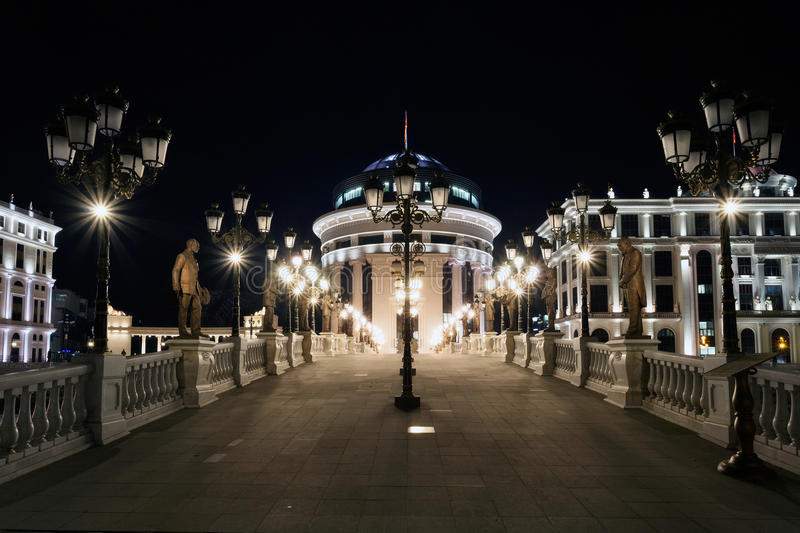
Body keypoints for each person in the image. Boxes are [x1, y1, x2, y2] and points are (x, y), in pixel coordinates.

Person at [172, 238, 208, 338]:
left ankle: (196, 331)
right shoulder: (182, 256)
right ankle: (182, 332)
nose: (198, 247)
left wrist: (200, 290)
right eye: (197, 245)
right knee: (183, 309)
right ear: (191, 245)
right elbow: (175, 270)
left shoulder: (194, 259)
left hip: (194, 289)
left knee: (197, 308)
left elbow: (195, 277)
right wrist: (176, 285)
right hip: (185, 288)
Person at [618, 237, 646, 337]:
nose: (619, 248)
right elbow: (623, 270)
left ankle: (633, 329)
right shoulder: (624, 256)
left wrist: (622, 280)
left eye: (620, 245)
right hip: (628, 285)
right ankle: (637, 329)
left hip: (634, 284)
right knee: (632, 308)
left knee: (634, 307)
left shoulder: (635, 253)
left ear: (626, 243)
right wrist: (622, 280)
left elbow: (632, 268)